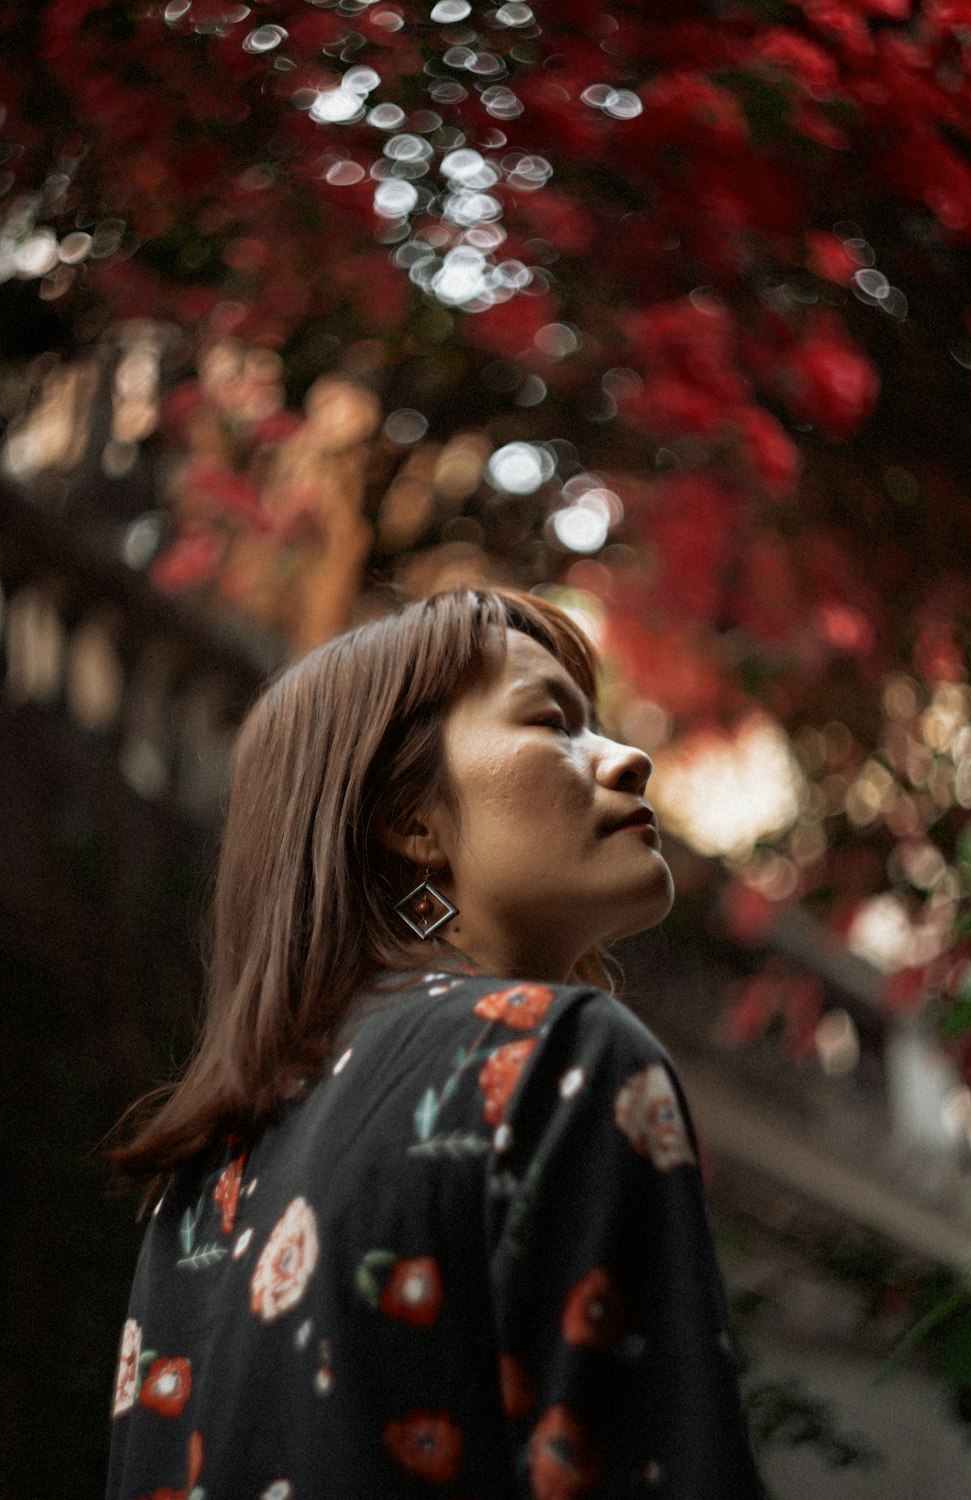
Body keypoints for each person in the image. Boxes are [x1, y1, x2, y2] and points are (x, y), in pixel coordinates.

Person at [106, 588, 763, 1500]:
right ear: (412, 819)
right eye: (554, 723)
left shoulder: (203, 1180)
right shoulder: (557, 1058)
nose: (630, 758)